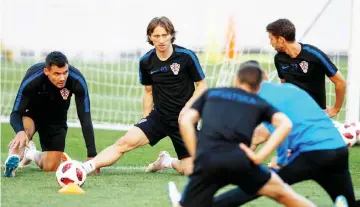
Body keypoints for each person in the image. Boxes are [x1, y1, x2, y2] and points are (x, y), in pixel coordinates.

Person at [167, 61, 316, 207]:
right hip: (239, 160)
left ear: (236, 80)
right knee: (284, 194)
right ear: (259, 87)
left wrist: (196, 154)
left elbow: (185, 121)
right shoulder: (259, 102)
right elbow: (286, 124)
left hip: (208, 160)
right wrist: (260, 156)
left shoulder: (210, 94)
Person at [212, 61, 360, 207]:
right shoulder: (290, 88)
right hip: (338, 149)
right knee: (349, 204)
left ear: (240, 83)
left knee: (256, 185)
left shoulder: (260, 100)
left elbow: (280, 131)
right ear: (265, 76)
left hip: (313, 153)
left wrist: (282, 160)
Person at [81, 16, 207, 175]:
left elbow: (202, 85)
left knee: (193, 170)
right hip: (159, 116)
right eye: (156, 36)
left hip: (184, 121)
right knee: (125, 142)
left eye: (164, 35)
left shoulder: (186, 56)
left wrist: (187, 110)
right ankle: (86, 167)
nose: (161, 40)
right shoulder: (146, 61)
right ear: (150, 37)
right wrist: (146, 119)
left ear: (171, 35)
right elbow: (148, 91)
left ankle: (167, 161)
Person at [4, 51, 98, 177]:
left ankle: (31, 154)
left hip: (56, 121)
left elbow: (85, 118)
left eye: (65, 72)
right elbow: (15, 113)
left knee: (51, 166)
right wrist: (19, 131)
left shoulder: (77, 80)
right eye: (57, 74)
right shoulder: (32, 79)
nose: (62, 78)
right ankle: (12, 162)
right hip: (32, 115)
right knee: (24, 132)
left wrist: (92, 155)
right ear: (46, 71)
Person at [267, 18, 346, 118]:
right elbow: (284, 85)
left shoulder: (314, 54)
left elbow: (340, 82)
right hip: (292, 114)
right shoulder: (278, 58)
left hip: (315, 115)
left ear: (281, 40)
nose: (270, 43)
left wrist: (335, 110)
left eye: (271, 39)